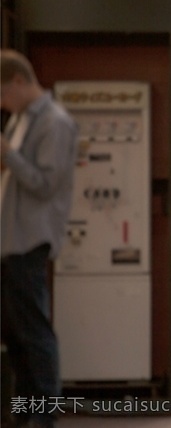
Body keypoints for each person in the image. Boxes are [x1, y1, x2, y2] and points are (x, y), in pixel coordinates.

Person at [0, 50, 78, 428]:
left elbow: (45, 184)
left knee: (33, 331)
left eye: (2, 93)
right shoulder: (20, 119)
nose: (2, 103)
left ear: (18, 81)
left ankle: (44, 418)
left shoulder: (54, 123)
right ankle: (25, 414)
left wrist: (7, 155)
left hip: (31, 238)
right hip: (11, 239)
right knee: (16, 334)